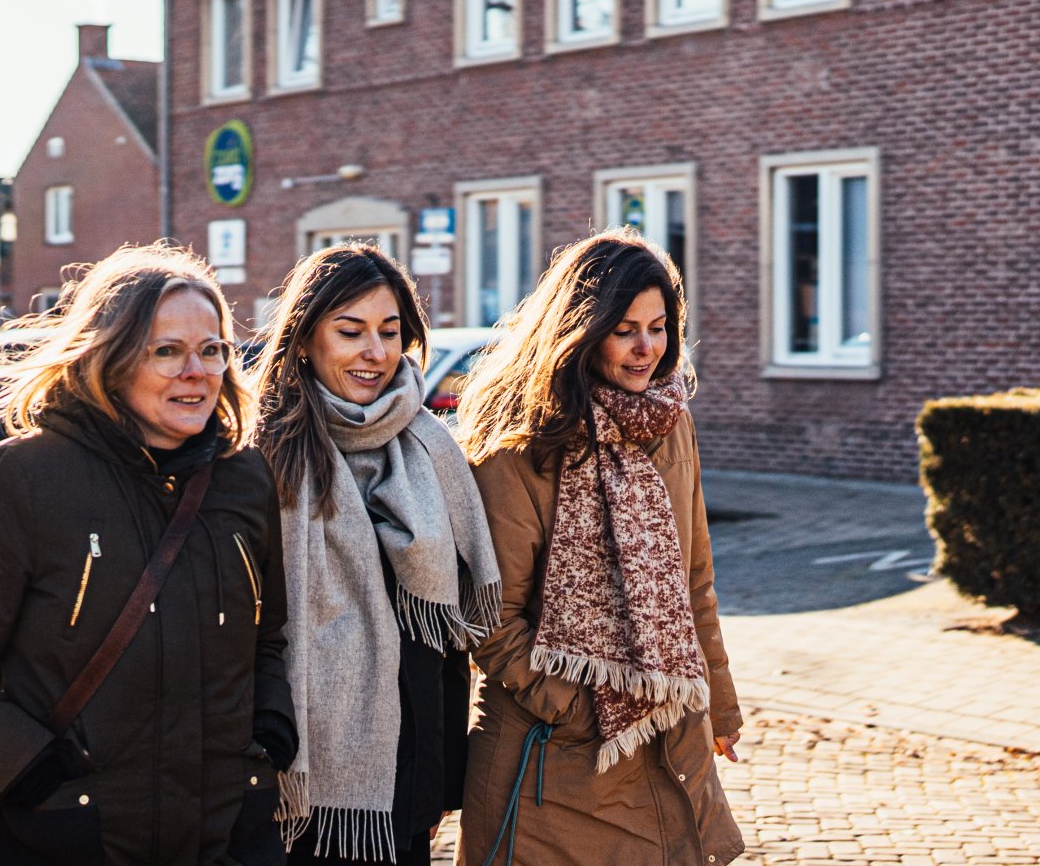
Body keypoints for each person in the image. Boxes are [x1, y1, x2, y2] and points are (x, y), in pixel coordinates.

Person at [0, 244, 293, 866]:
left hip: (224, 833)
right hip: (72, 835)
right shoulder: (27, 476)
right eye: (166, 351)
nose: (197, 371)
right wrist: (21, 768)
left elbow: (268, 636)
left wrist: (269, 730)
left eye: (212, 349)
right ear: (109, 359)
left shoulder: (244, 478)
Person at [452, 229, 744, 866]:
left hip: (667, 739)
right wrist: (578, 708)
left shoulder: (670, 423)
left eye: (659, 327)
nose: (647, 349)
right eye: (625, 330)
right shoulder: (520, 445)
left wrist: (718, 703)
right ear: (581, 330)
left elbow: (694, 581)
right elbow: (491, 617)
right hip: (549, 764)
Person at [251, 244, 498, 866]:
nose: (375, 353)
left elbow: (447, 639)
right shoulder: (262, 453)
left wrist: (442, 773)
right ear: (305, 338)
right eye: (350, 331)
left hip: (409, 763)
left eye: (390, 332)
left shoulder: (433, 448)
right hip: (296, 768)